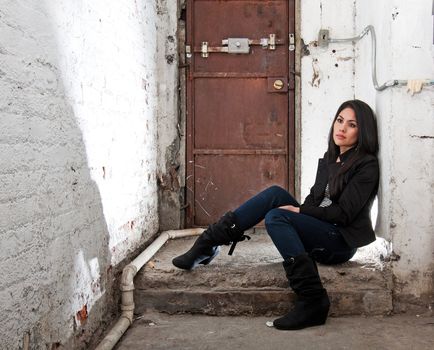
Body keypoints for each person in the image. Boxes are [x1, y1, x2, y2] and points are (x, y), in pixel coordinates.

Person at [172, 99, 379, 330]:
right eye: (339, 121)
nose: (341, 128)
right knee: (275, 194)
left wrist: (299, 211)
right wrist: (302, 209)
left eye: (352, 125)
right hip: (322, 229)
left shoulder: (366, 165)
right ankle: (208, 243)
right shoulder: (331, 157)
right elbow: (314, 199)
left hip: (339, 241)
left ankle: (313, 300)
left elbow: (343, 214)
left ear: (363, 131)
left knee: (276, 217)